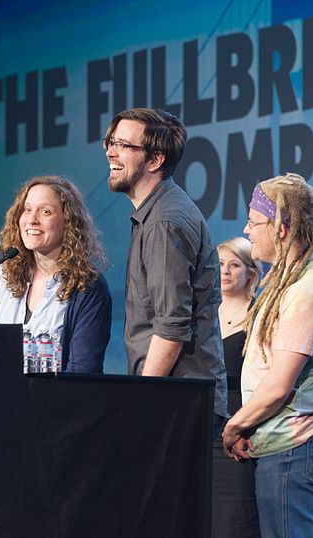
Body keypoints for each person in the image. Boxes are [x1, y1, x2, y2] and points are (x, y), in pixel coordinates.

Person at [221, 173, 313, 537]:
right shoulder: (291, 283)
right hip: (284, 450)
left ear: (281, 227)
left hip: (296, 451)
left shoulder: (307, 291)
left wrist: (234, 425)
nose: (247, 231)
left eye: (254, 222)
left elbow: (279, 385)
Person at [104, 107, 228, 433]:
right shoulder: (158, 212)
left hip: (176, 406)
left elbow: (172, 328)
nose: (110, 151)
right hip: (175, 401)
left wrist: (143, 401)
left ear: (155, 160)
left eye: (122, 145)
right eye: (109, 142)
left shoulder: (163, 221)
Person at [0, 175, 112, 373]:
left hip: (59, 402)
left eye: (45, 212)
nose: (32, 220)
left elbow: (83, 372)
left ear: (68, 221)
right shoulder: (4, 276)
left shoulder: (88, 287)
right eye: (27, 210)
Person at [213, 237, 261, 538]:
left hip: (243, 426)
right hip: (207, 422)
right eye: (219, 265)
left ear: (250, 273)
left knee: (237, 519)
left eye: (234, 265)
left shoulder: (260, 313)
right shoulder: (202, 313)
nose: (226, 271)